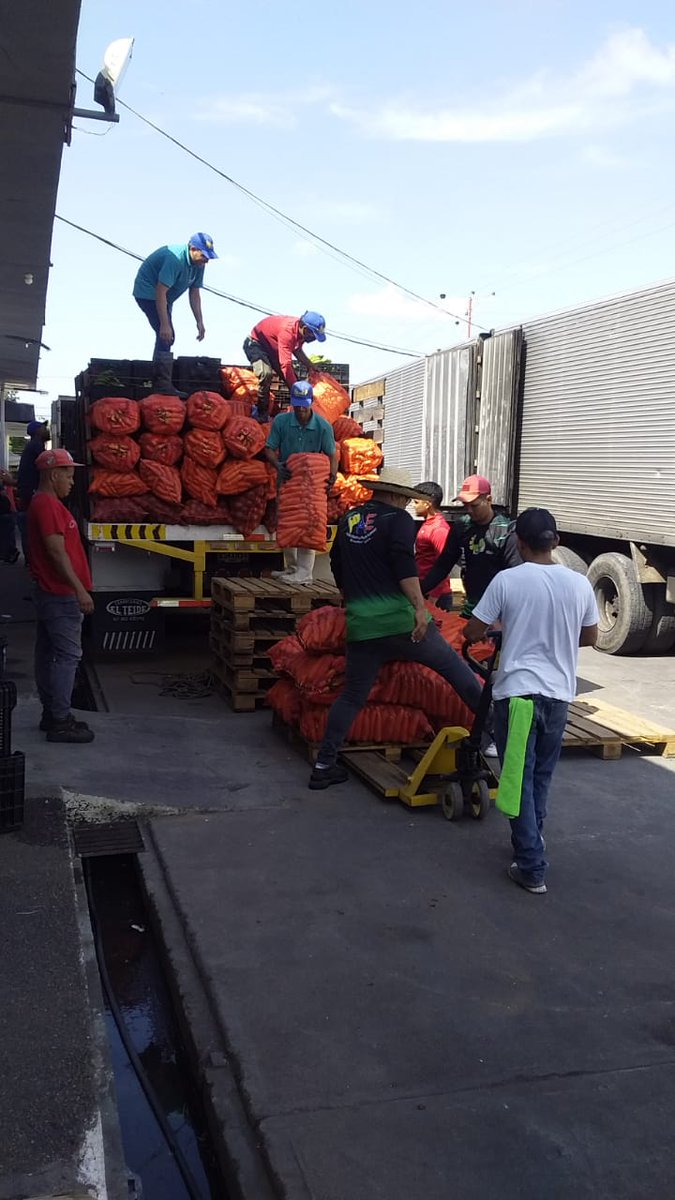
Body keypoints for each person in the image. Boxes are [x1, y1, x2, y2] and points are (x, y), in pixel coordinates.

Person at [308, 467, 485, 790]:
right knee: (457, 672)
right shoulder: (399, 521)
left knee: (351, 696)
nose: (406, 504)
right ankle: (493, 735)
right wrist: (420, 608)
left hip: (362, 625)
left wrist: (350, 597)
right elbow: (404, 563)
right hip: (403, 624)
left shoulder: (349, 518)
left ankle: (324, 764)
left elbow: (336, 562)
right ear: (393, 494)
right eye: (404, 498)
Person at [464, 508, 598, 895]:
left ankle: (531, 866)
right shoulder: (579, 584)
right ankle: (531, 838)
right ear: (555, 541)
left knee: (517, 779)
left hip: (518, 695)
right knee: (540, 775)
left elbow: (474, 627)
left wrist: (487, 633)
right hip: (558, 697)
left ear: (519, 543)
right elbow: (589, 637)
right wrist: (553, 635)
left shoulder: (508, 581)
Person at [27, 449, 96, 744]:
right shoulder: (47, 506)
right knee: (68, 656)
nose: (71, 482)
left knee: (47, 653)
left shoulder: (45, 503)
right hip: (60, 594)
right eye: (68, 476)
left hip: (51, 593)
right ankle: (59, 719)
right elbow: (56, 552)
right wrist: (79, 589)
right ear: (54, 475)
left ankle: (52, 713)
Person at [265, 380, 338, 585]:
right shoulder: (281, 422)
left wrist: (331, 477)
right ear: (292, 403)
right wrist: (278, 465)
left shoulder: (323, 426)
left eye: (304, 406)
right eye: (297, 406)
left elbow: (332, 455)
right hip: (288, 478)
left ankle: (305, 572)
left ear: (311, 402)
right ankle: (291, 568)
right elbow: (269, 448)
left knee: (308, 523)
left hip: (312, 481)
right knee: (288, 521)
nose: (301, 410)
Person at [420, 474, 521, 617]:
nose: (469, 510)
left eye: (474, 505)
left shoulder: (505, 530)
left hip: (500, 609)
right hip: (471, 605)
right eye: (465, 505)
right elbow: (443, 565)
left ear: (488, 500)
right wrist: (418, 591)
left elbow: (516, 576)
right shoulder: (462, 526)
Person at [133, 233, 218, 395]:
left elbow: (194, 293)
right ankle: (161, 385)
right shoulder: (175, 260)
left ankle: (159, 381)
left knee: (166, 336)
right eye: (204, 256)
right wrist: (164, 324)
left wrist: (199, 322)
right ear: (193, 249)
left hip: (165, 299)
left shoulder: (199, 265)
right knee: (166, 334)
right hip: (149, 293)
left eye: (209, 257)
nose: (206, 260)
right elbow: (160, 291)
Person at [243, 311, 327, 422]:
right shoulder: (287, 332)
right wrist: (296, 390)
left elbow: (297, 350)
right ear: (304, 328)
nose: (313, 339)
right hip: (256, 344)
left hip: (274, 349)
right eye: (313, 335)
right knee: (266, 374)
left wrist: (310, 366)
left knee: (294, 381)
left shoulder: (300, 333)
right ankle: (261, 413)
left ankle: (298, 417)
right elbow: (286, 366)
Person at [411, 481, 453, 611]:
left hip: (436, 596)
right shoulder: (427, 524)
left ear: (427, 503)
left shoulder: (439, 529)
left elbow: (443, 566)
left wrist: (433, 600)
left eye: (416, 502)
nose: (413, 506)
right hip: (424, 590)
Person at [16, 419, 50, 560]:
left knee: (30, 528)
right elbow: (47, 466)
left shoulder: (32, 446)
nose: (46, 430)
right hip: (31, 494)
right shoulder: (36, 446)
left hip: (28, 493)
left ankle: (32, 560)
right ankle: (33, 561)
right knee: (34, 529)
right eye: (43, 427)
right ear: (37, 431)